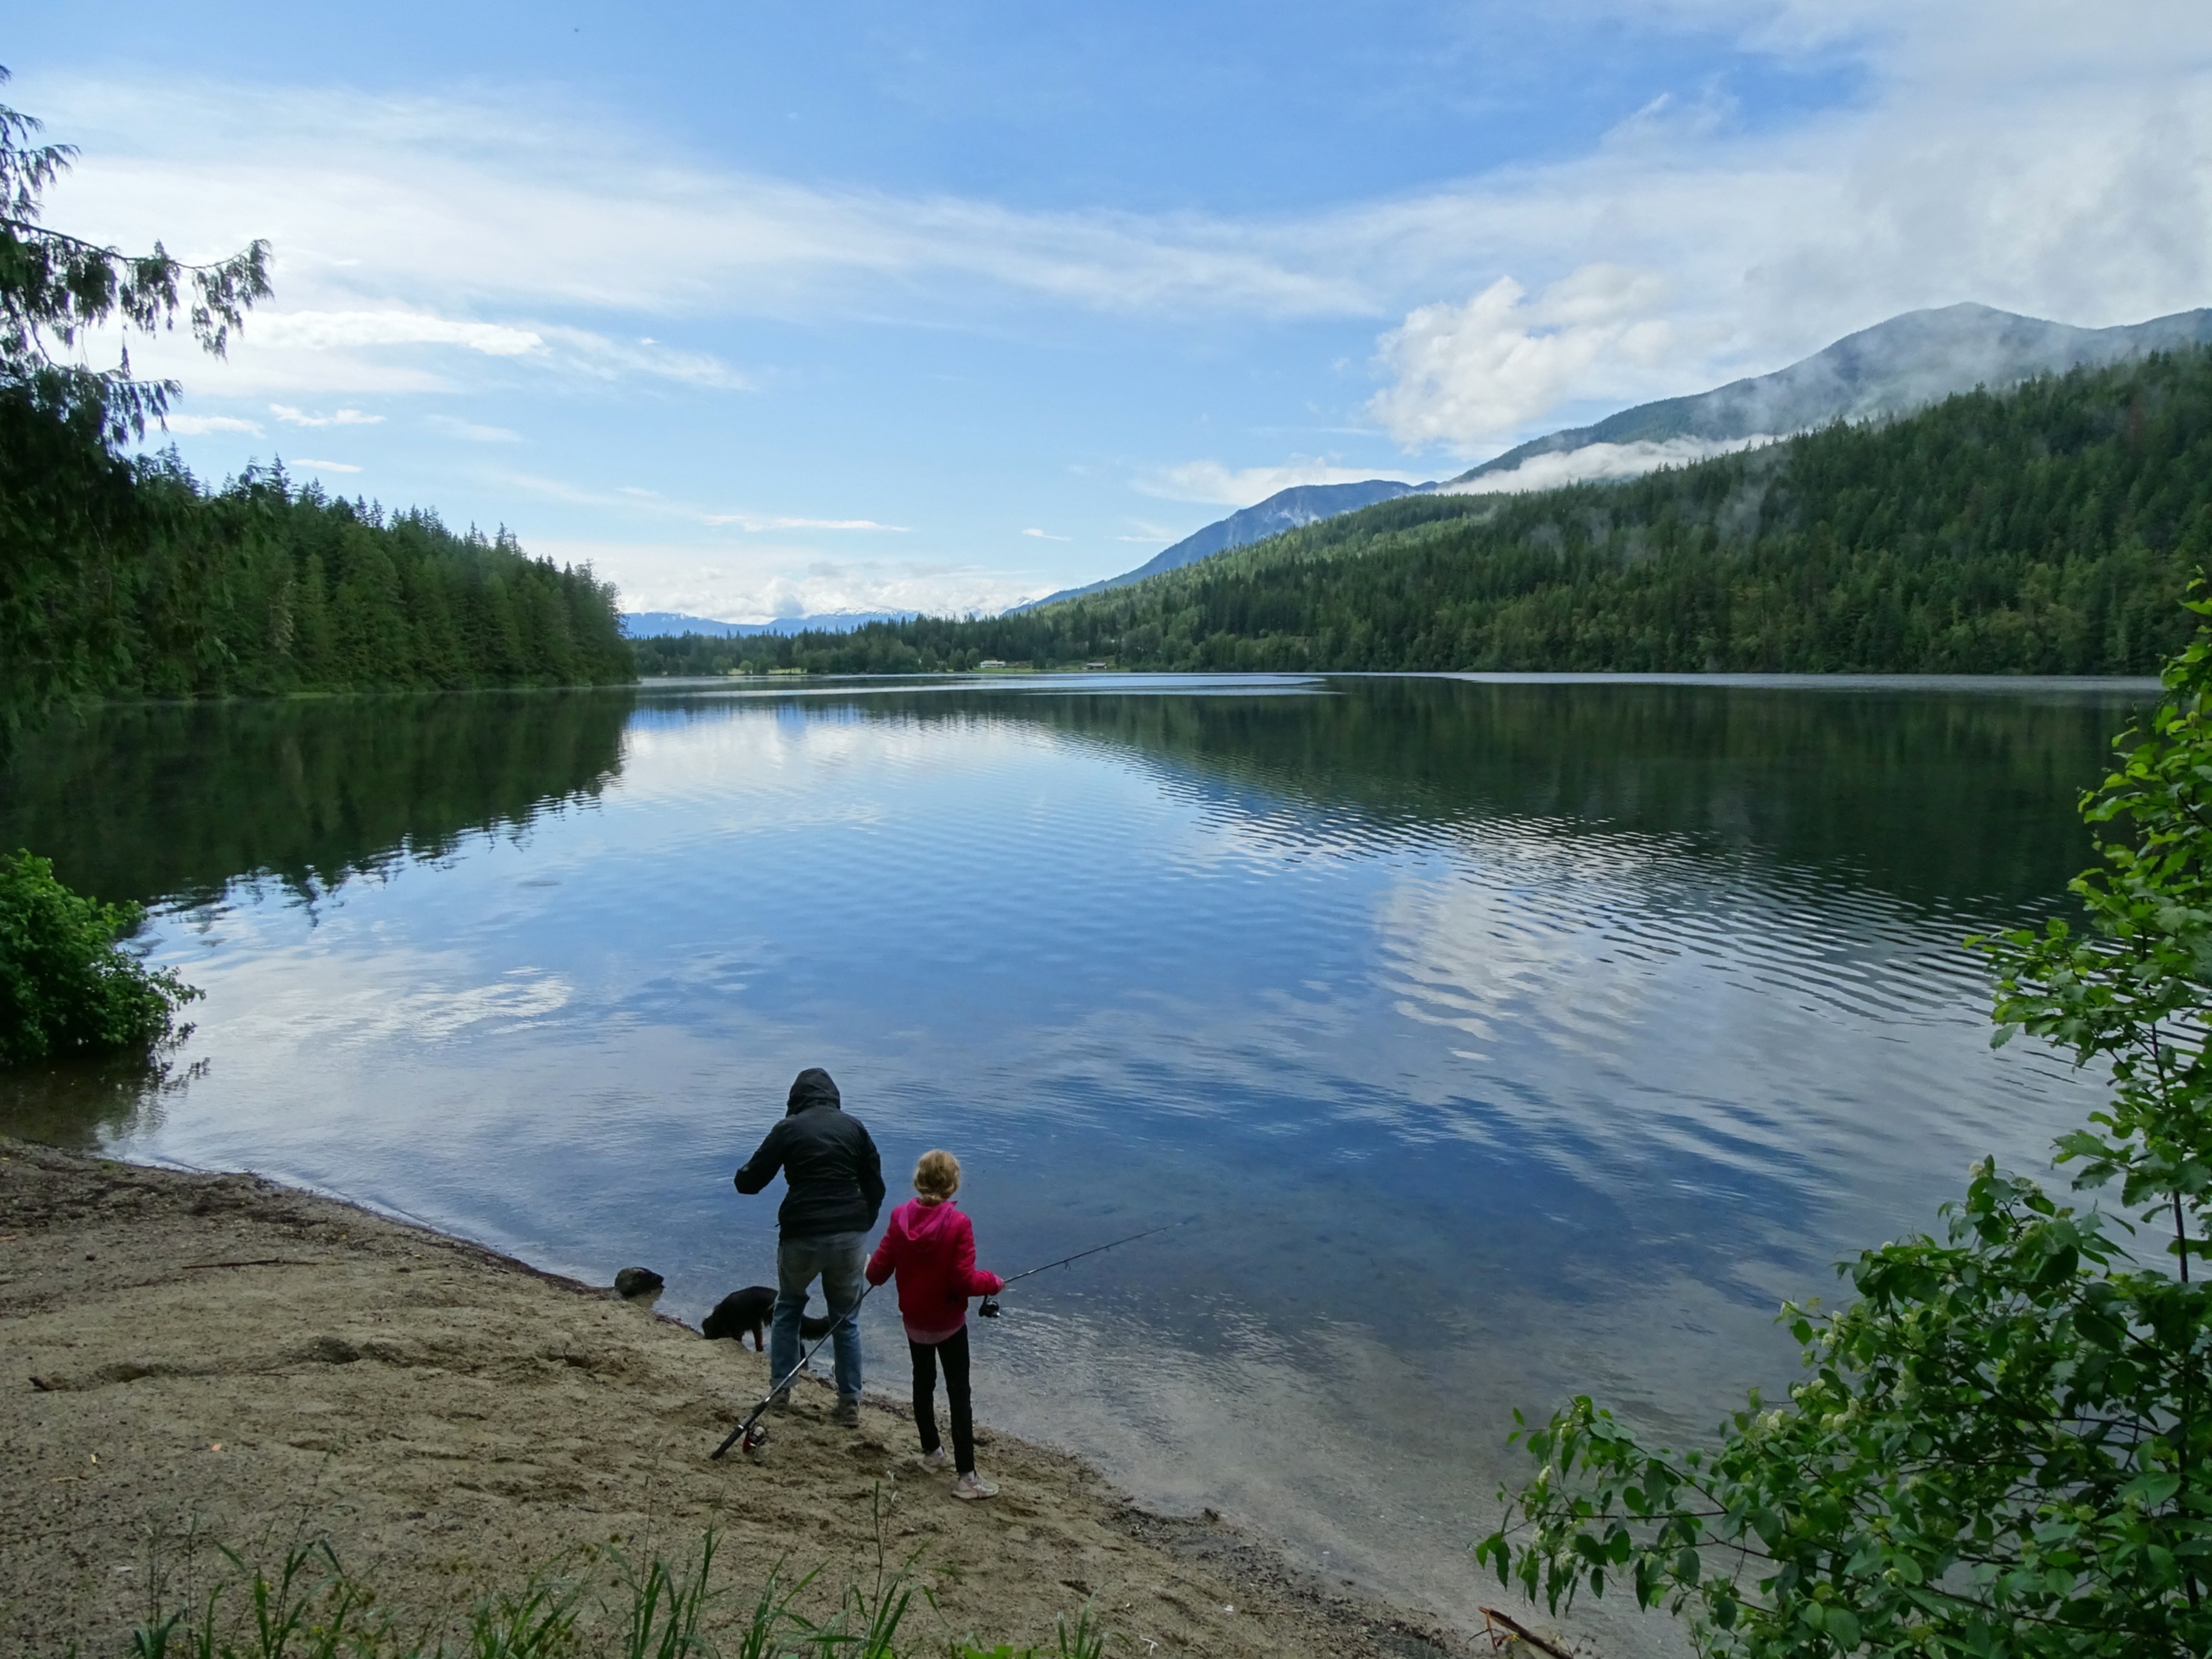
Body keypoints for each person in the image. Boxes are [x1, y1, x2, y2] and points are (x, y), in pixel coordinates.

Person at [733, 1067, 885, 1427]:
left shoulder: (789, 1129)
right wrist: (864, 1223)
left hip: (801, 1233)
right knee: (845, 1319)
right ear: (834, 1098)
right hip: (850, 1235)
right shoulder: (855, 1128)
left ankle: (782, 1392)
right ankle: (849, 1403)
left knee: (788, 1307)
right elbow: (875, 1186)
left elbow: (750, 1183)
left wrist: (741, 1174)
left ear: (795, 1099)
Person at [866, 1148, 1005, 1499]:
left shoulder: (899, 1217)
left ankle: (932, 1452)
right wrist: (994, 1282)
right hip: (948, 1323)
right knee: (959, 1395)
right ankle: (967, 1479)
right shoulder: (960, 1224)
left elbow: (876, 1274)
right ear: (952, 1184)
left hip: (914, 1322)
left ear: (919, 1179)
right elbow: (964, 1282)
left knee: (922, 1383)